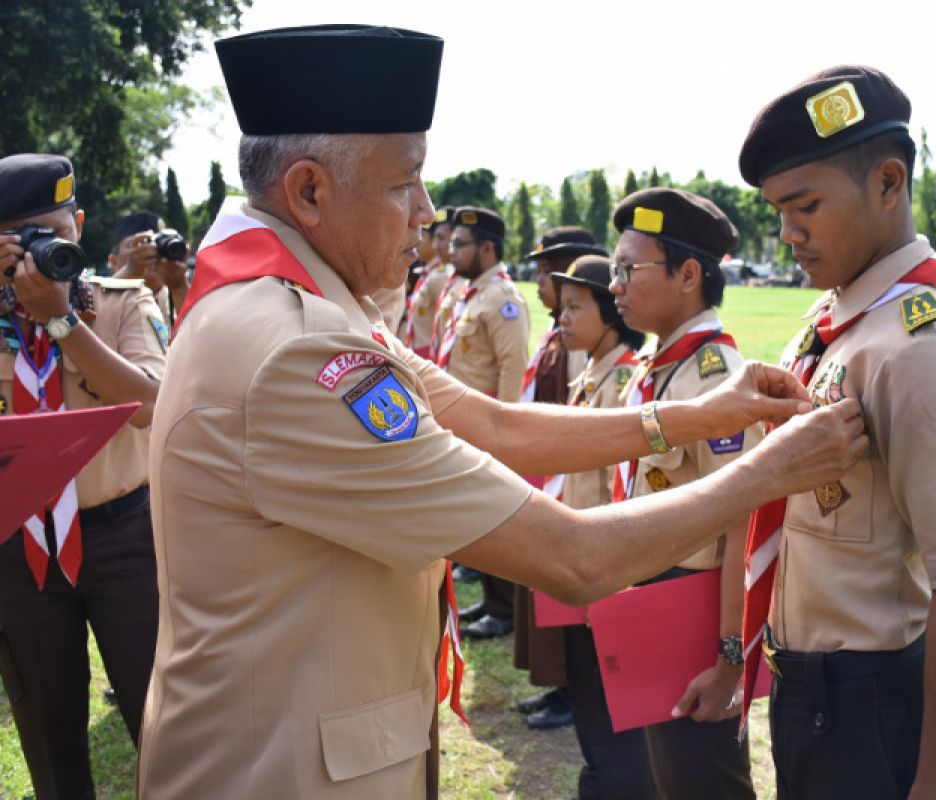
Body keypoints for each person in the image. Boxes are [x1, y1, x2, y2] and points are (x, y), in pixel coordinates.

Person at [138, 26, 867, 799]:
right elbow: (573, 559)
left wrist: (701, 414)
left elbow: (494, 424)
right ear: (311, 191)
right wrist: (768, 470)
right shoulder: (296, 348)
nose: (425, 212)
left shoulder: (303, 315)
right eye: (403, 183)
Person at [738, 65, 936, 799]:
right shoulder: (843, 321)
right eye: (777, 211)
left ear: (888, 183)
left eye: (805, 206)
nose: (786, 233)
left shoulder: (921, 345)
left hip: (873, 708)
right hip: (814, 694)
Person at [0, 154, 164, 799]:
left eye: (52, 234)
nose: (40, 254)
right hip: (19, 548)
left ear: (79, 225)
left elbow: (155, 403)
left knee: (164, 724)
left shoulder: (122, 303)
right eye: (20, 238)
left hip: (123, 539)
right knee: (50, 738)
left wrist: (63, 321)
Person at [607, 187, 760, 799]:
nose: (615, 284)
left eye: (628, 269)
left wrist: (729, 657)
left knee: (705, 782)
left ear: (689, 274)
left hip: (694, 609)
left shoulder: (717, 377)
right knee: (672, 777)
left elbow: (742, 522)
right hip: (650, 594)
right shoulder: (659, 366)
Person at [550, 253, 656, 798]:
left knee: (612, 702)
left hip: (613, 569)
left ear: (610, 318)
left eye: (574, 308)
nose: (562, 319)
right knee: (588, 693)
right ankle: (600, 777)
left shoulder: (624, 379)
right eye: (561, 308)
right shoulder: (592, 371)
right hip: (587, 561)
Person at [508, 226, 607, 731]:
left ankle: (570, 691)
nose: (540, 284)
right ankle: (559, 686)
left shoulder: (581, 345)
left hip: (569, 482)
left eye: (549, 274)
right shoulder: (558, 333)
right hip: (546, 471)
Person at [436, 205, 530, 640]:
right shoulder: (472, 293)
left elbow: (513, 369)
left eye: (460, 244)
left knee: (498, 516)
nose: (451, 251)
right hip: (463, 426)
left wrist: (506, 434)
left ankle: (504, 609)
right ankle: (492, 601)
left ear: (487, 248)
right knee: (478, 516)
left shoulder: (504, 299)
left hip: (488, 428)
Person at [108, 210, 191, 327]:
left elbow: (199, 336)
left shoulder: (175, 297)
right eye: (135, 245)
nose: (148, 250)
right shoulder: (98, 299)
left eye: (153, 244)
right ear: (113, 261)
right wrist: (127, 276)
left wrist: (179, 286)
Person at [400, 207, 454, 357]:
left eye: (422, 236)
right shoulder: (429, 273)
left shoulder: (441, 276)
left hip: (428, 355)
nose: (417, 241)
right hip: (415, 351)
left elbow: (445, 326)